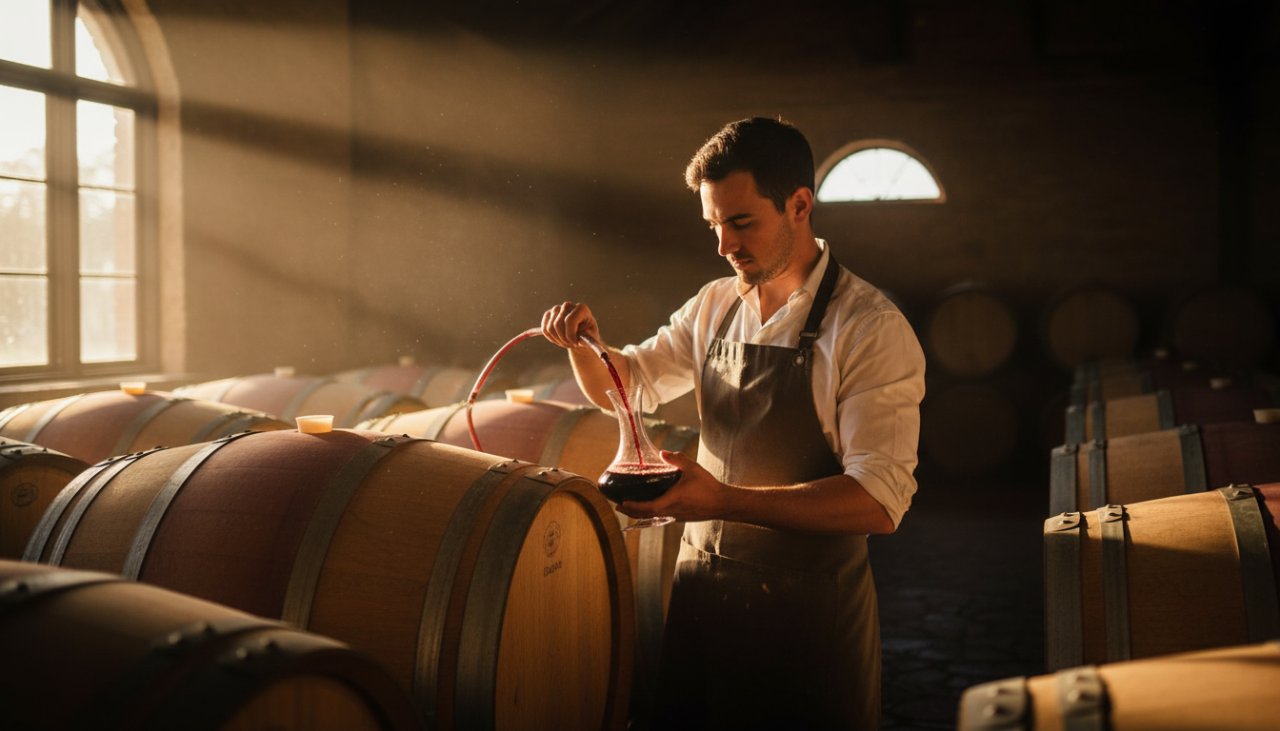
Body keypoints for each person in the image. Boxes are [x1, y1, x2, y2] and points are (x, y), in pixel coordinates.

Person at [541, 116, 925, 730]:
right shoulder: (716, 304)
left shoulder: (869, 328)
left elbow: (878, 502)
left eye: (741, 222)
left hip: (808, 626)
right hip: (703, 602)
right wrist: (584, 344)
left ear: (800, 205)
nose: (723, 244)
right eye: (713, 225)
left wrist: (721, 499)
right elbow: (629, 389)